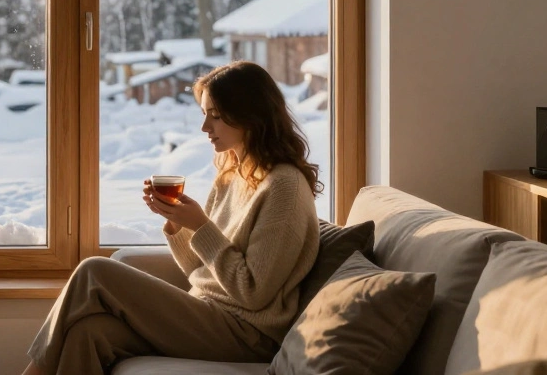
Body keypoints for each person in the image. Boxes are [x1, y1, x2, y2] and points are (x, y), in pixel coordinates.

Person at [22, 61, 322, 375]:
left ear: (251, 116)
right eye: (204, 114)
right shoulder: (232, 175)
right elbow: (201, 271)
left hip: (249, 334)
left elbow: (253, 292)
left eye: (216, 116)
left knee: (94, 270)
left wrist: (202, 226)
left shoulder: (284, 187)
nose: (205, 127)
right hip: (210, 313)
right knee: (89, 332)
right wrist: (180, 226)